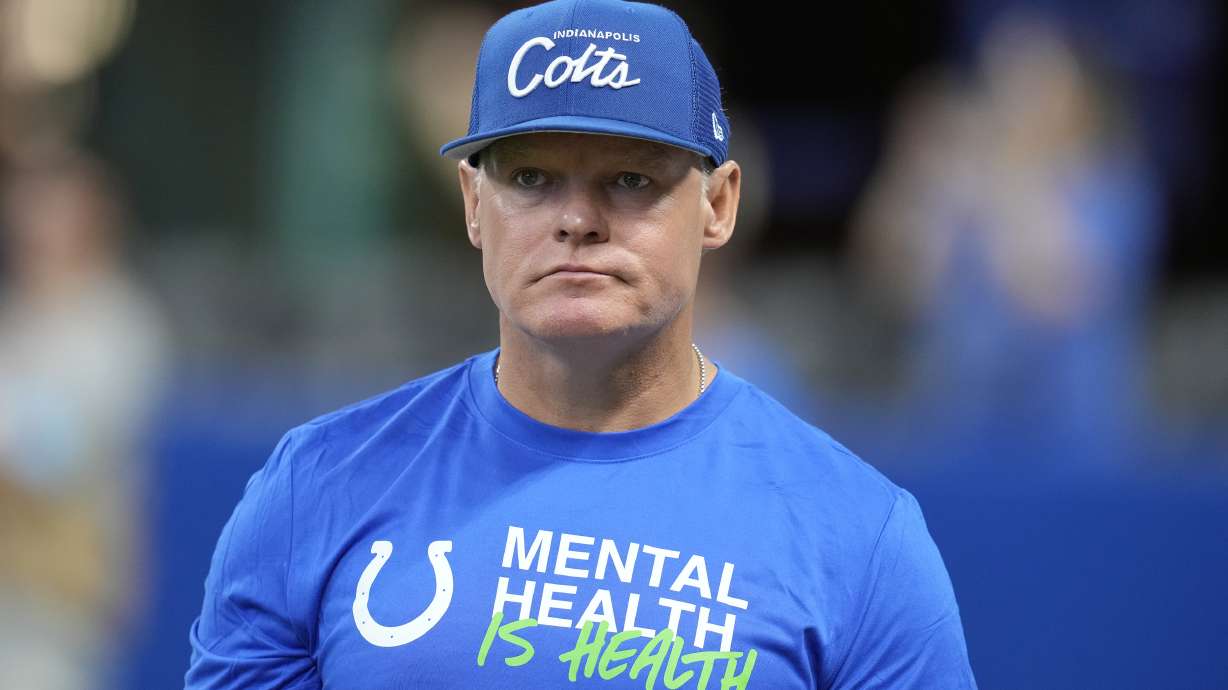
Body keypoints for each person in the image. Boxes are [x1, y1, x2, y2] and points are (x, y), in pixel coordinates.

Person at [185, 1, 977, 687]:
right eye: (531, 178)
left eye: (631, 180)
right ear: (473, 202)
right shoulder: (318, 487)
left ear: (718, 205)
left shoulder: (858, 537)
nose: (577, 220)